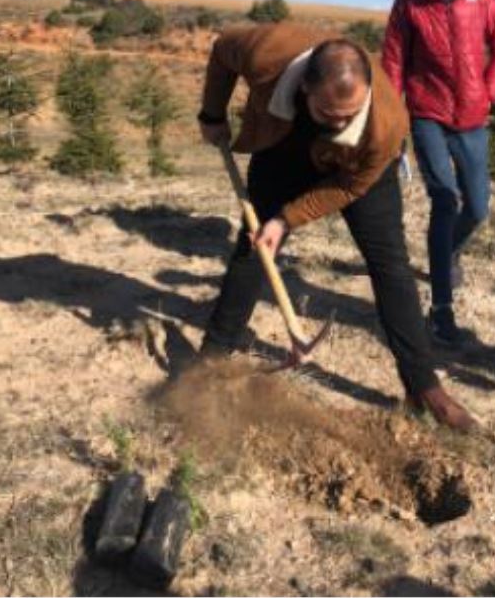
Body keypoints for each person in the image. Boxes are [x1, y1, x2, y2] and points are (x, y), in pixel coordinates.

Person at [197, 21, 480, 431]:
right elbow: (223, 51)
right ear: (306, 88)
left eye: (350, 115)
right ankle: (213, 356)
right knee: (254, 247)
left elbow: (349, 186)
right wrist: (211, 113)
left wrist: (286, 218)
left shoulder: (386, 123)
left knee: (391, 267)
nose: (339, 124)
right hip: (283, 149)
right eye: (329, 114)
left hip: (357, 171)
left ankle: (424, 386)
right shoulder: (266, 53)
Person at [382, 0, 495, 348]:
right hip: (428, 115)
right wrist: (394, 122)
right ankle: (441, 311)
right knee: (445, 200)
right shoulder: (408, 1)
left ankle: (448, 252)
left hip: (474, 117)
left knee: (476, 209)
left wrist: (490, 92)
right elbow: (395, 64)